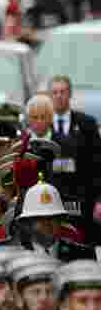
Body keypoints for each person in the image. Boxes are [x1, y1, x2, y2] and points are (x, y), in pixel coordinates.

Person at [49, 76, 101, 239]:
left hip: (82, 200)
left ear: (70, 94)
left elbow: (97, 164)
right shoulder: (42, 125)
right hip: (52, 200)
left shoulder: (87, 124)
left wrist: (99, 199)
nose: (58, 96)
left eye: (62, 92)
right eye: (55, 92)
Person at [14, 179, 94, 261]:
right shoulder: (16, 258)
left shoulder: (83, 254)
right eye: (40, 218)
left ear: (61, 220)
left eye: (53, 217)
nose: (47, 223)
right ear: (27, 224)